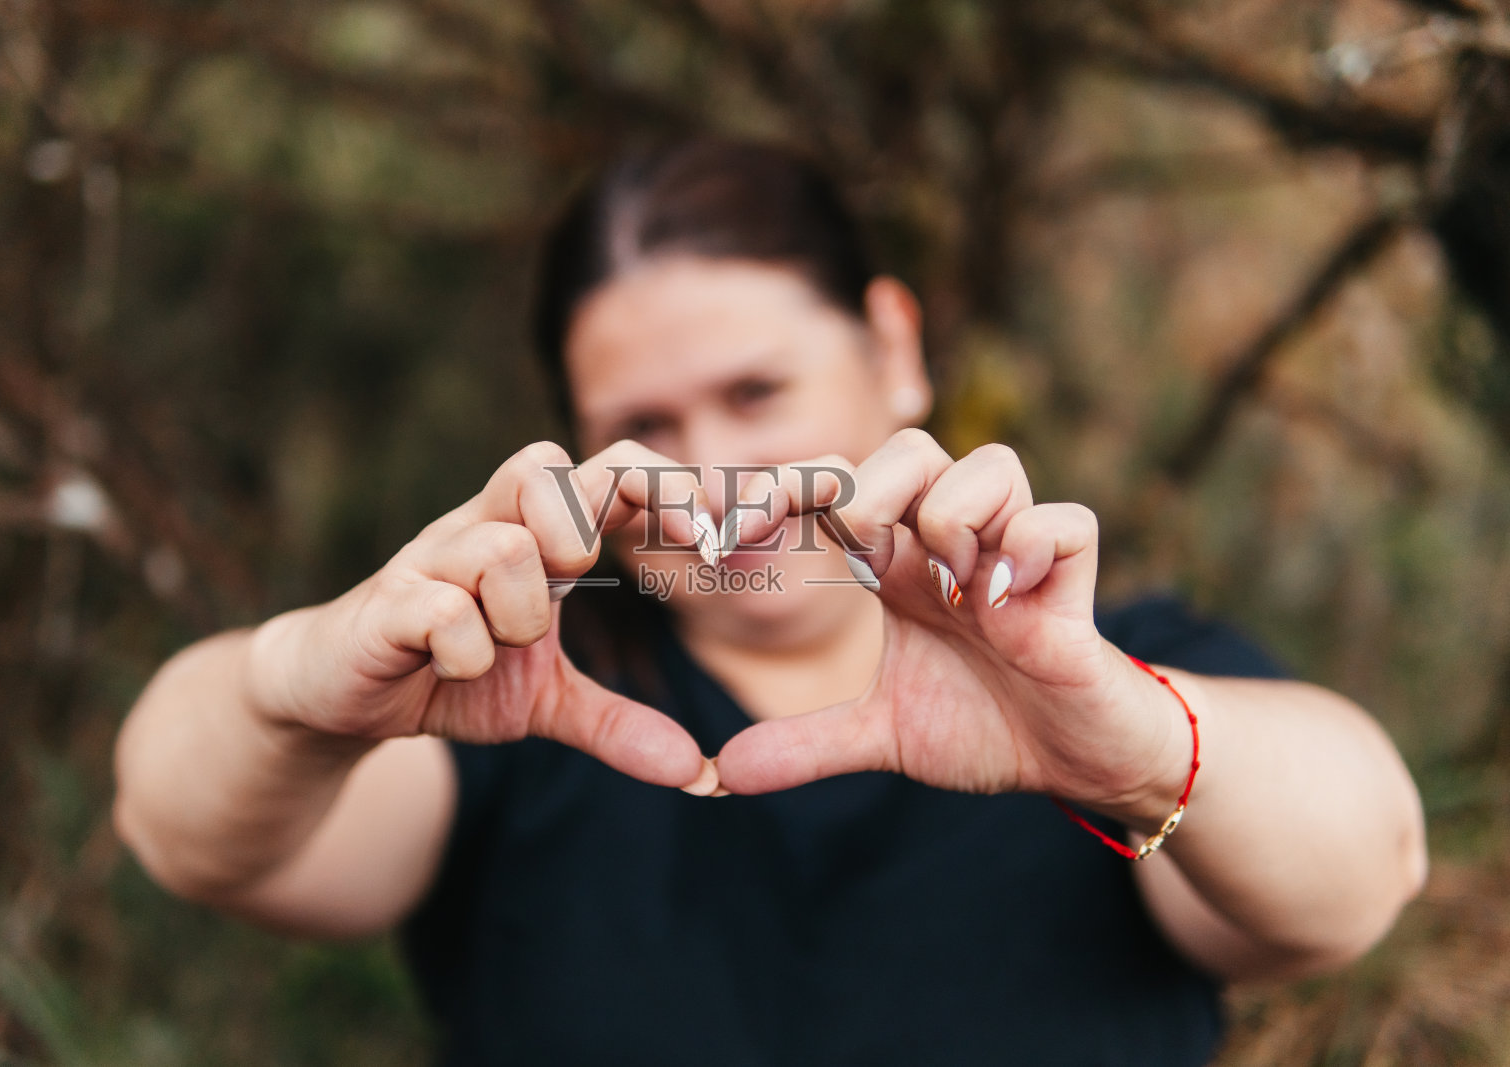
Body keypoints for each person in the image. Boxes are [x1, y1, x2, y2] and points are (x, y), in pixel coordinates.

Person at [113, 138, 1428, 1065]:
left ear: (894, 350)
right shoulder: (519, 707)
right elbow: (189, 829)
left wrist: (1127, 743)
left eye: (757, 393)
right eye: (643, 421)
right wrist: (299, 684)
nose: (717, 476)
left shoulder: (1104, 676)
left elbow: (1360, 873)